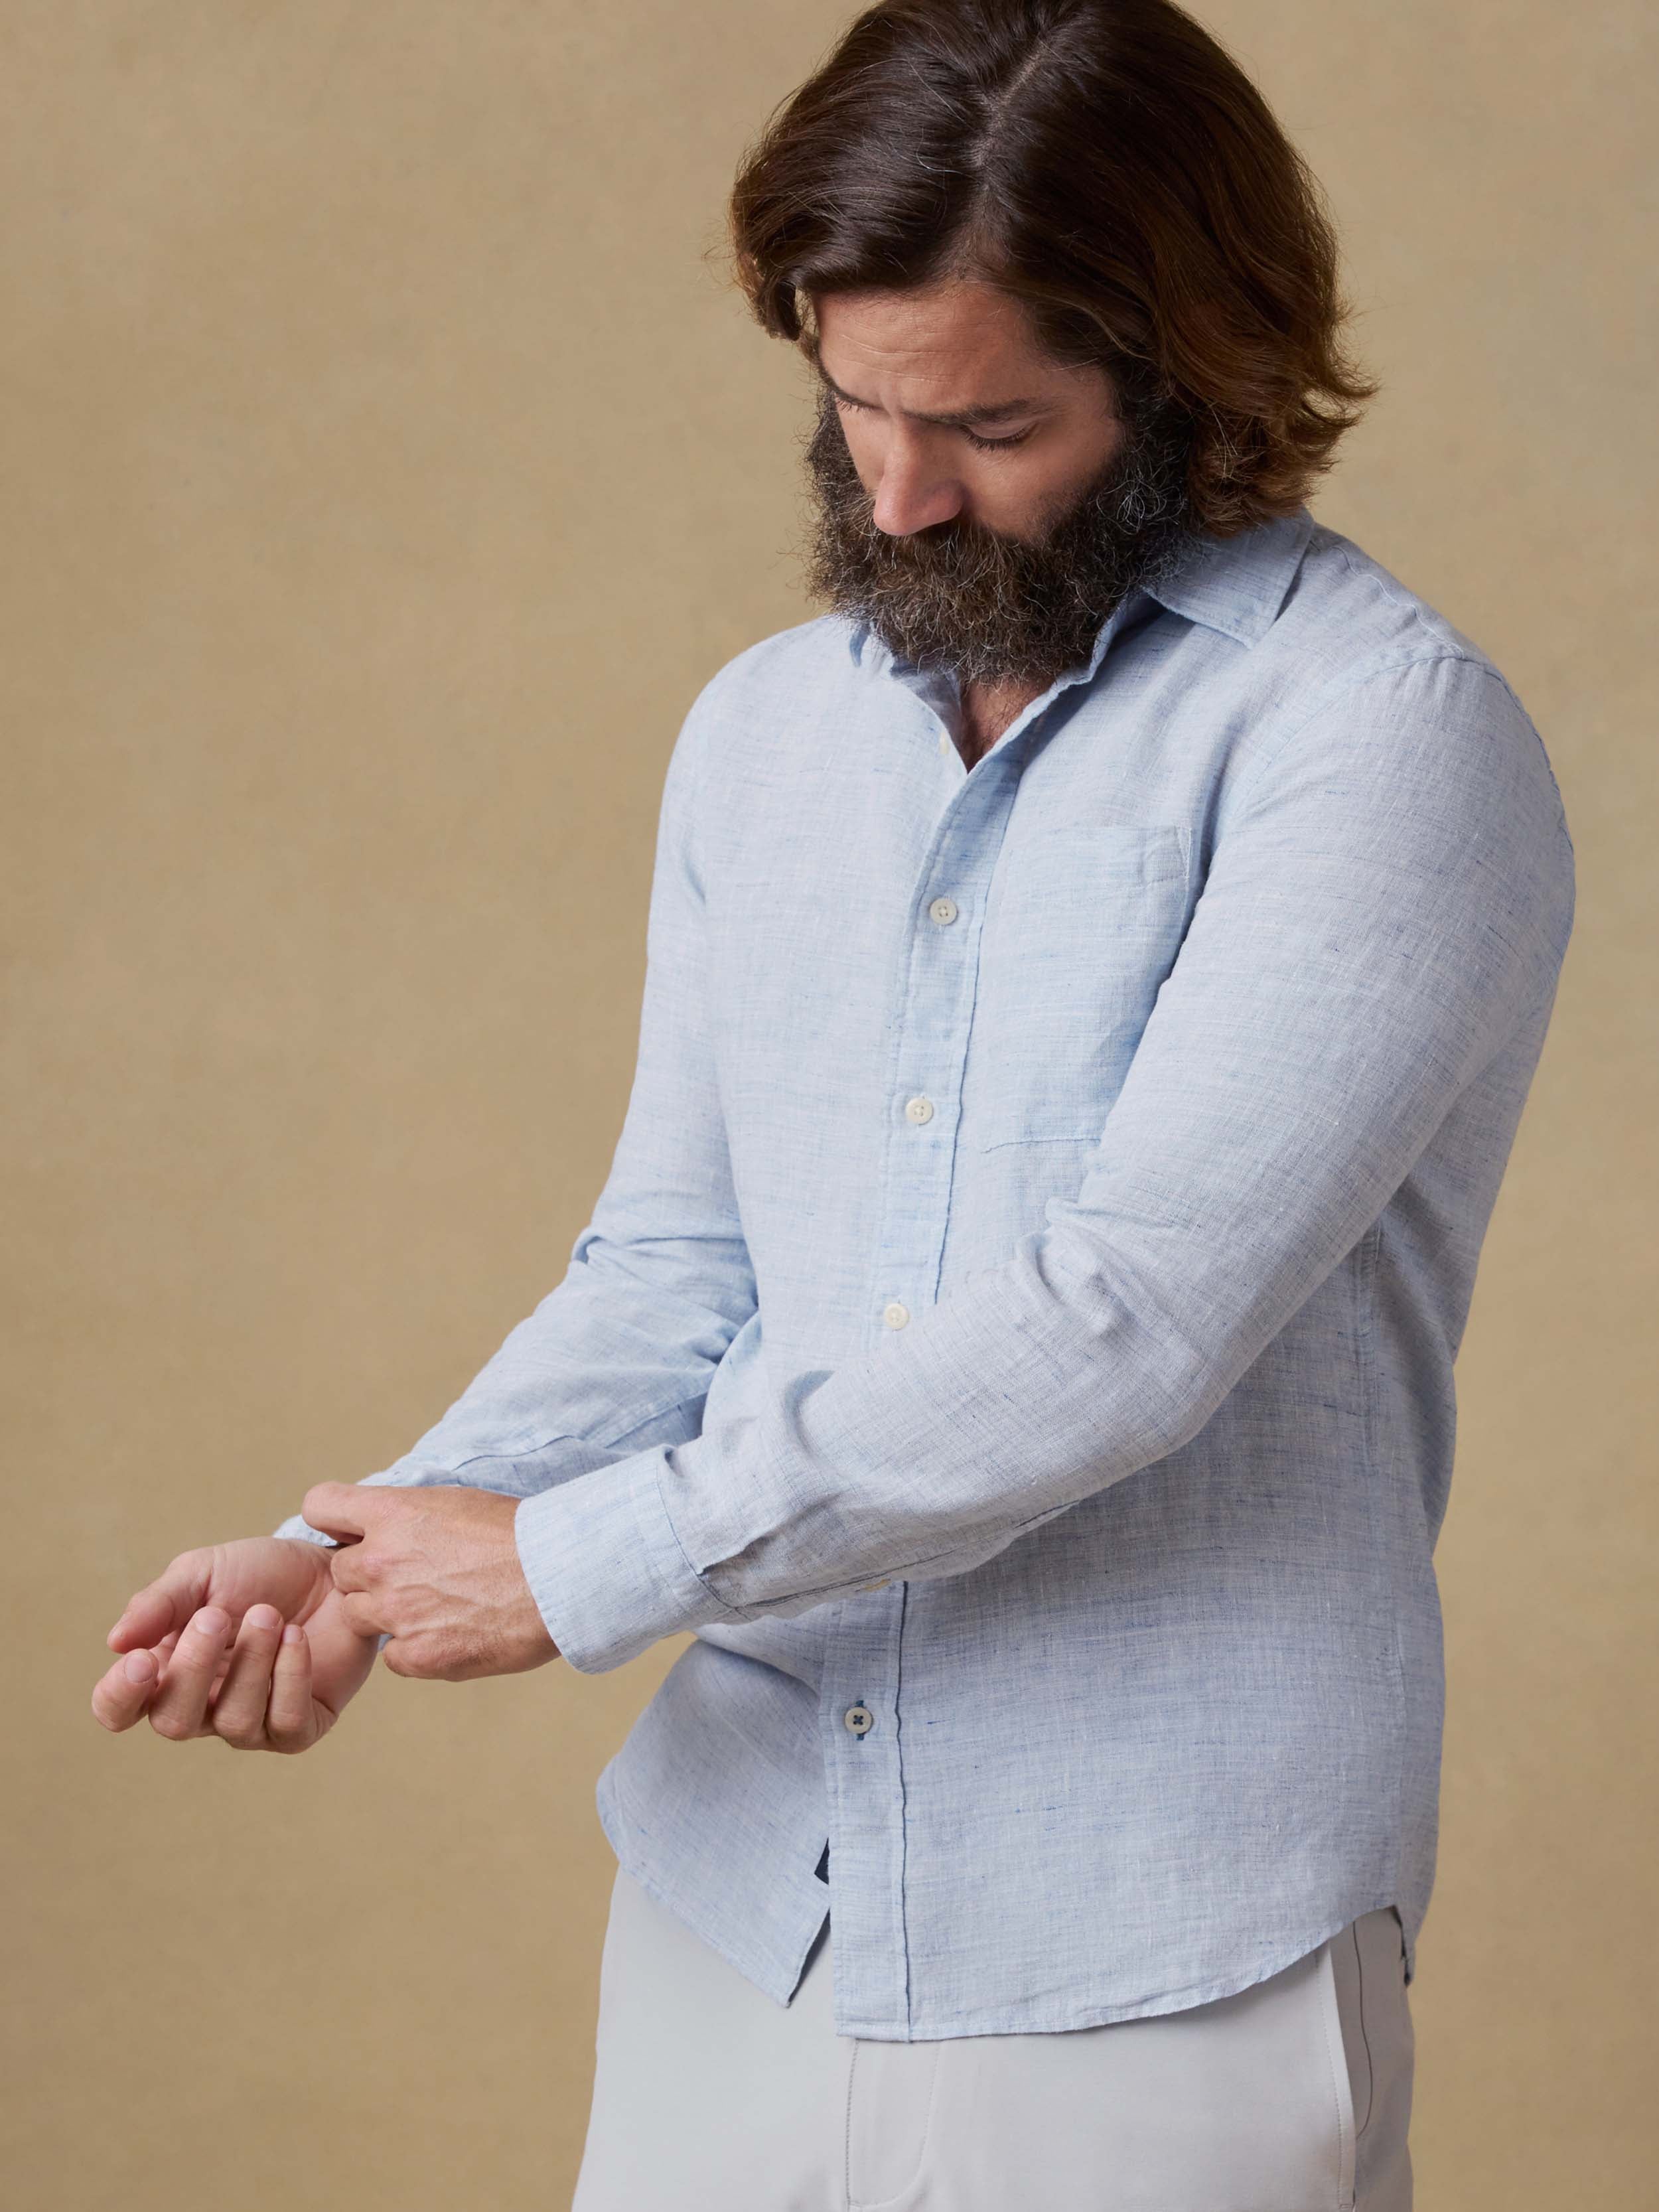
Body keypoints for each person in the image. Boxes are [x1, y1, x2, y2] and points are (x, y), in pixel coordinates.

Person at [92, 3, 1576, 2205]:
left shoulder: (1377, 744)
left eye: (990, 422)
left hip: (1159, 1948)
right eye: (851, 398)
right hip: (735, 1903)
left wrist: (579, 1566)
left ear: (1193, 373)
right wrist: (369, 1548)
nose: (891, 493)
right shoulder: (765, 736)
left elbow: (1125, 1322)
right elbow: (677, 1272)